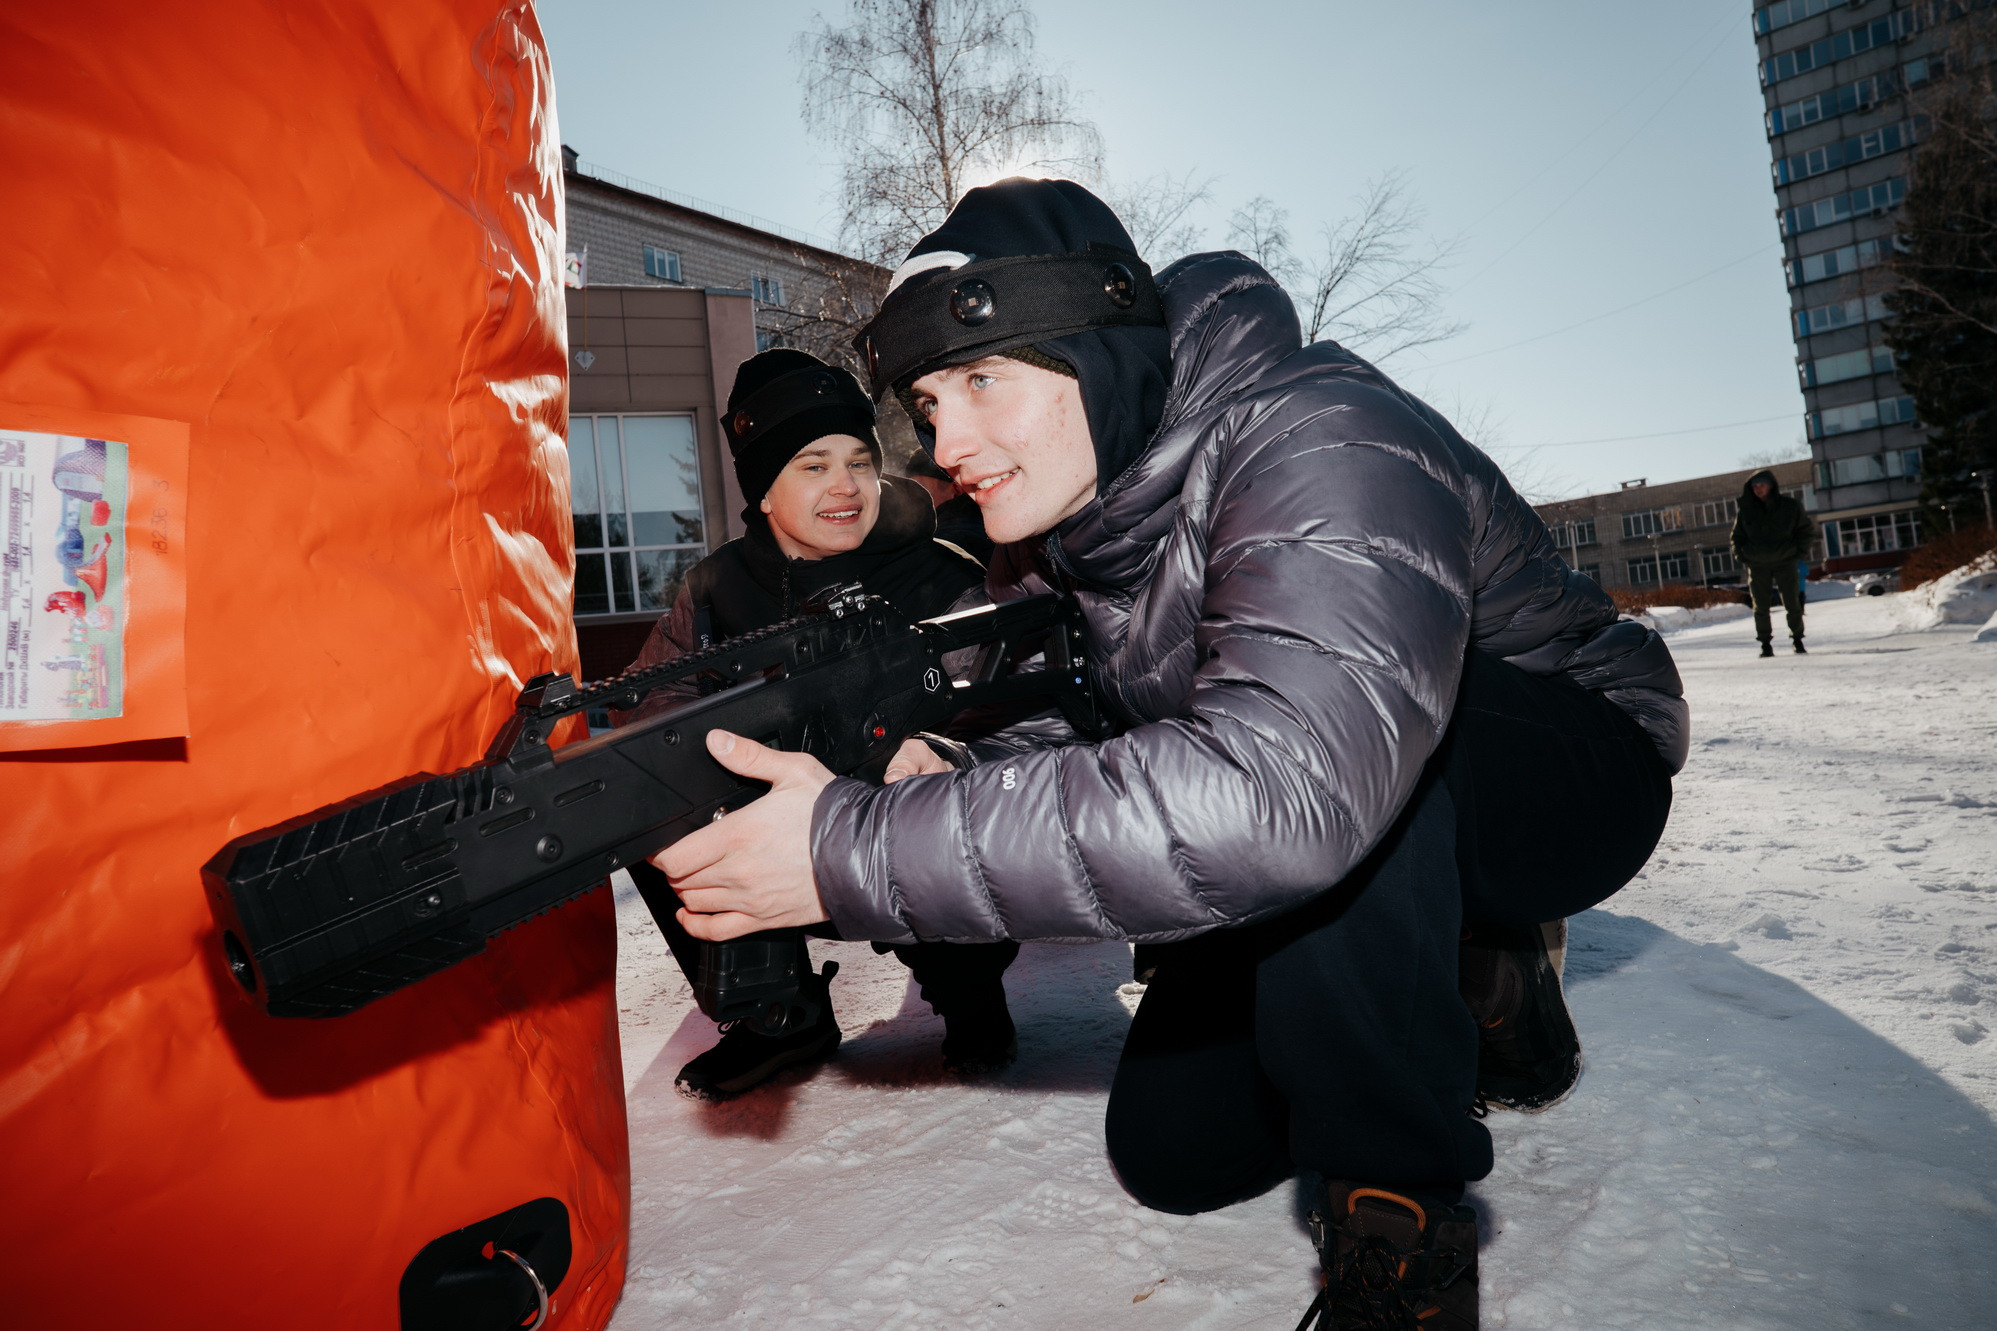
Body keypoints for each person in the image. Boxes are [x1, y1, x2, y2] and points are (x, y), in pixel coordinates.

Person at [652, 181, 1684, 1328]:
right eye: (930, 402)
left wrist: (851, 851)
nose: (947, 443)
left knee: (1339, 791)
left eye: (982, 381)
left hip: (1560, 756)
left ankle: (1396, 1212)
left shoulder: (1321, 434)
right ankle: (1463, 973)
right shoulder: (1057, 531)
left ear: (1096, 353)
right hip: (1323, 781)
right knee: (1175, 1149)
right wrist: (946, 769)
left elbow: (1283, 786)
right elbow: (1079, 721)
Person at [615, 348, 1020, 1100]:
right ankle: (779, 1015)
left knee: (929, 796)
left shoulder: (941, 574)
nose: (845, 485)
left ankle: (969, 996)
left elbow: (1008, 718)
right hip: (778, 838)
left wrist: (934, 746)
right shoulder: (714, 589)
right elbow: (654, 708)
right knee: (645, 798)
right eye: (811, 465)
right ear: (764, 491)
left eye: (857, 461)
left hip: (900, 838)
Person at [1730, 469, 1815, 656]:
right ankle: (1765, 644)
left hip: (1786, 561)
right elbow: (1736, 537)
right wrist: (1742, 555)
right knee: (1760, 606)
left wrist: (1798, 552)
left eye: (1761, 485)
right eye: (1754, 486)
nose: (1758, 489)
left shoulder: (1789, 506)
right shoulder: (1746, 510)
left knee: (1792, 603)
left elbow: (1806, 530)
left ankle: (1797, 640)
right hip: (1758, 564)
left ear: (1771, 486)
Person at [898, 446, 993, 562]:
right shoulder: (987, 523)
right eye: (909, 489)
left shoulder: (953, 539)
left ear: (956, 490)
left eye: (921, 489)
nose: (911, 497)